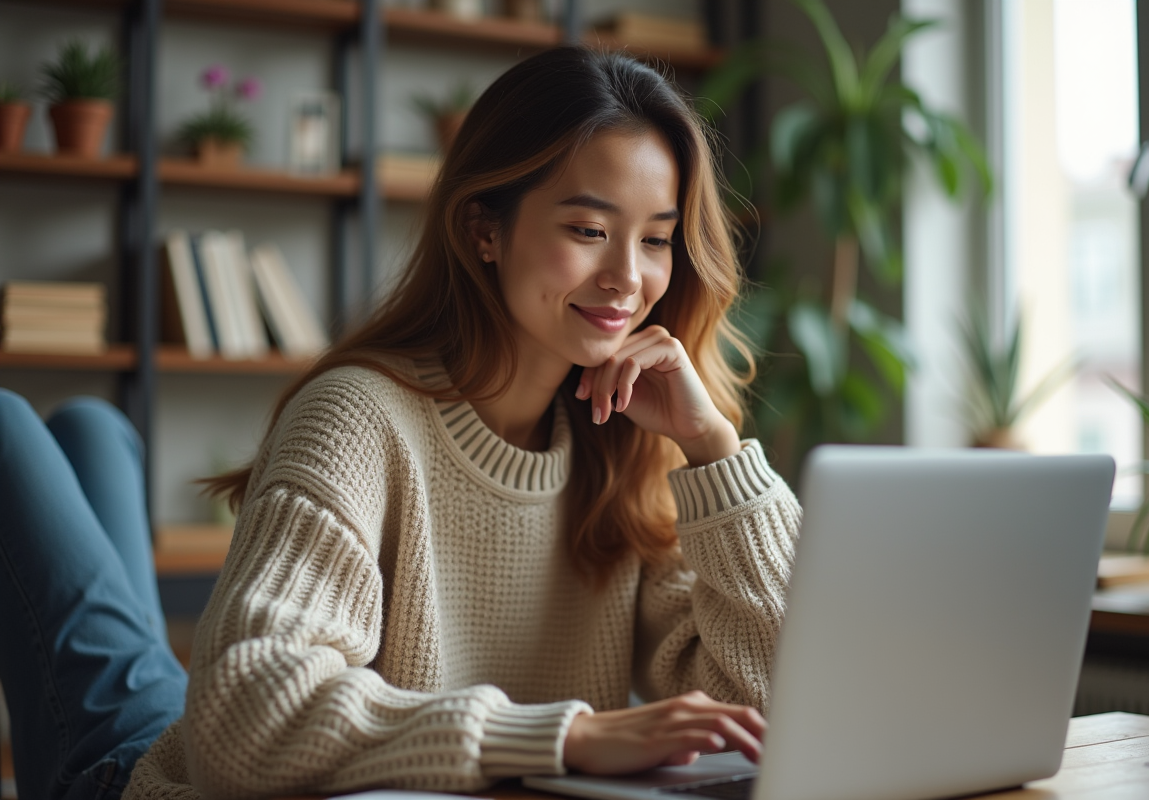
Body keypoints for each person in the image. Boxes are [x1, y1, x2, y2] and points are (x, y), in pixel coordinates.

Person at [0, 46, 802, 800]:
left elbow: (773, 704)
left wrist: (714, 451)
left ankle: (87, 431)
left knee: (90, 438)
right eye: (588, 230)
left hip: (207, 723)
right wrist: (562, 736)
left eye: (657, 239)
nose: (629, 277)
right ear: (483, 229)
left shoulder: (626, 445)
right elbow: (237, 724)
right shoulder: (359, 417)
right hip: (150, 780)